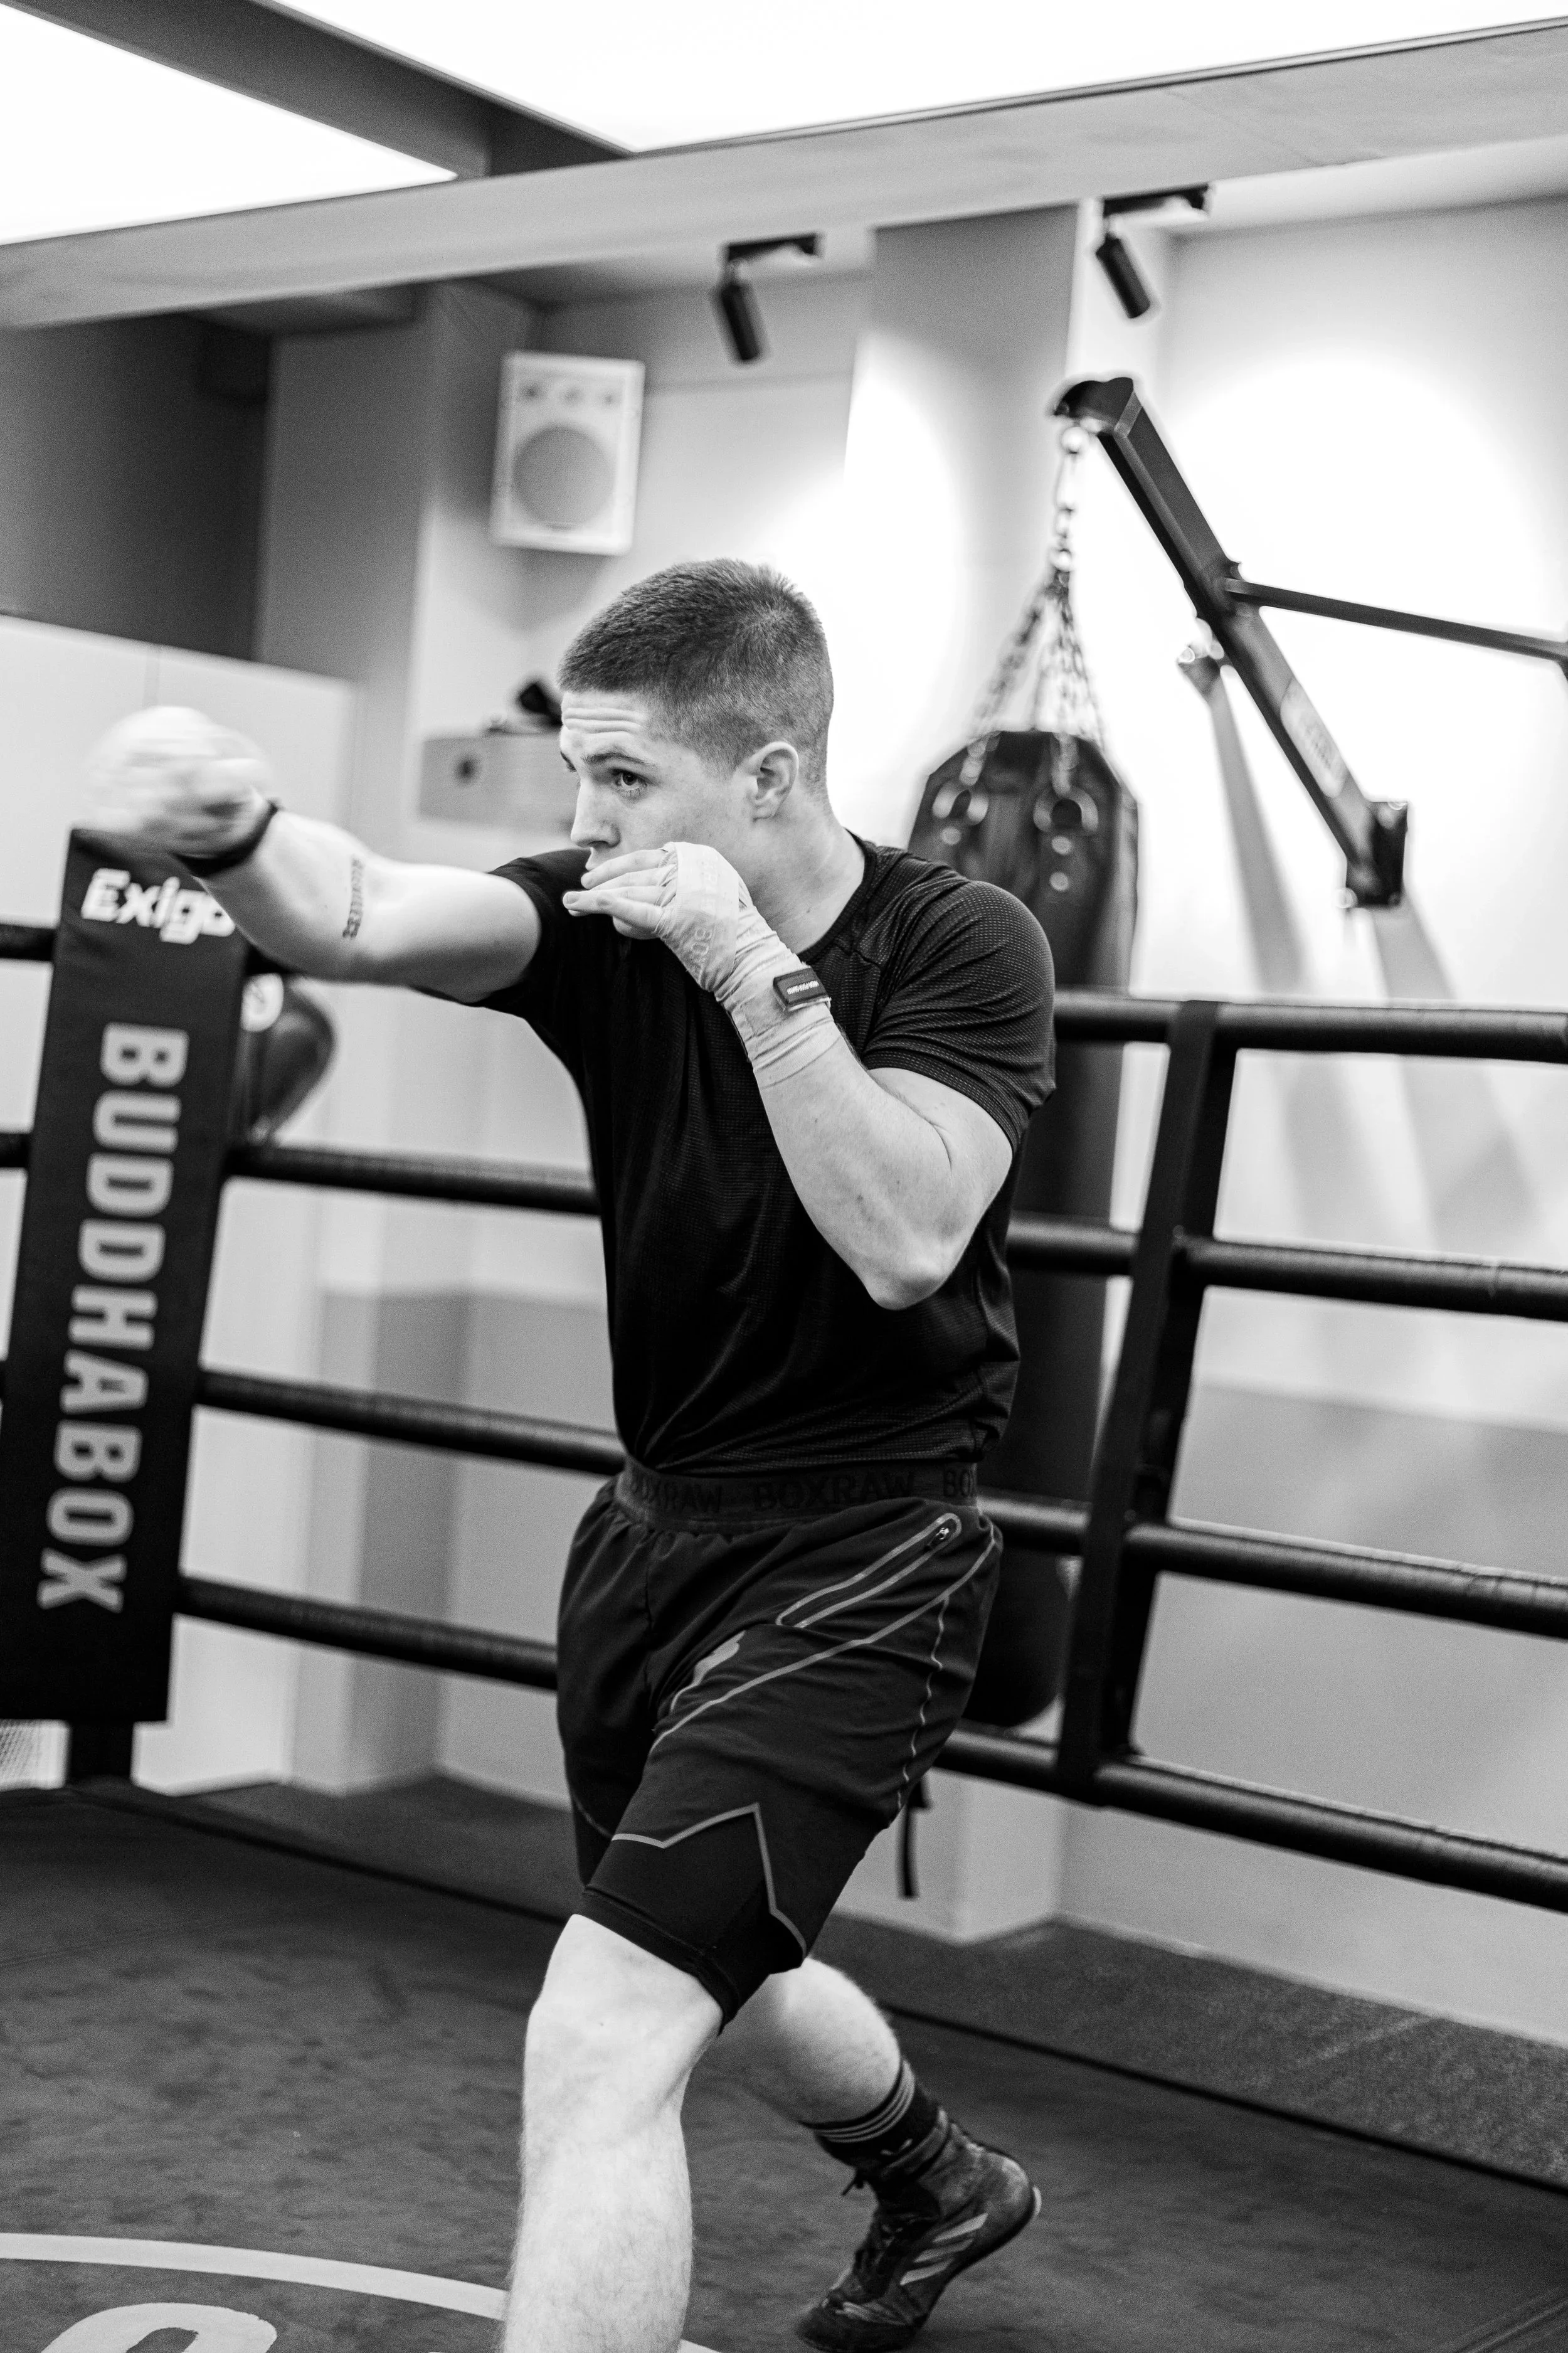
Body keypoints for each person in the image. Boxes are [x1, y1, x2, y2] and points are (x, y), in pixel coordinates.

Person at [88, 558, 1056, 2353]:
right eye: (577, 777)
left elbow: (909, 1232)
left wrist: (741, 960)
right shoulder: (606, 915)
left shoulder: (957, 942)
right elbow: (368, 911)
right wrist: (238, 832)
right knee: (717, 1966)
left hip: (864, 1552)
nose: (583, 821)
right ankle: (933, 2173)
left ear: (765, 777)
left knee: (602, 2025)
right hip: (651, 1541)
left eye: (625, 779)